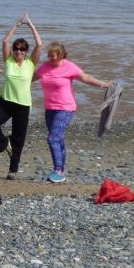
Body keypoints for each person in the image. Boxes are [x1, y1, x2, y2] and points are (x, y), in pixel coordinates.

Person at [33, 41, 109, 183]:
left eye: (53, 56)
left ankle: (57, 170)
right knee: (58, 138)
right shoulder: (44, 67)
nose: (50, 58)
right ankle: (61, 171)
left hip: (65, 108)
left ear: (61, 55)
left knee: (52, 138)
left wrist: (103, 84)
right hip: (49, 108)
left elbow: (85, 77)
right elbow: (29, 79)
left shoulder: (69, 66)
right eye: (48, 56)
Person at [0, 13, 43, 180]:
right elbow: (5, 42)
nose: (19, 51)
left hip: (23, 105)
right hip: (5, 102)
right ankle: (5, 143)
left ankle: (13, 170)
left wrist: (31, 25)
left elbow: (40, 45)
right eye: (17, 48)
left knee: (19, 139)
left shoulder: (30, 63)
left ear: (26, 52)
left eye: (22, 48)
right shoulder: (8, 61)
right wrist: (16, 25)